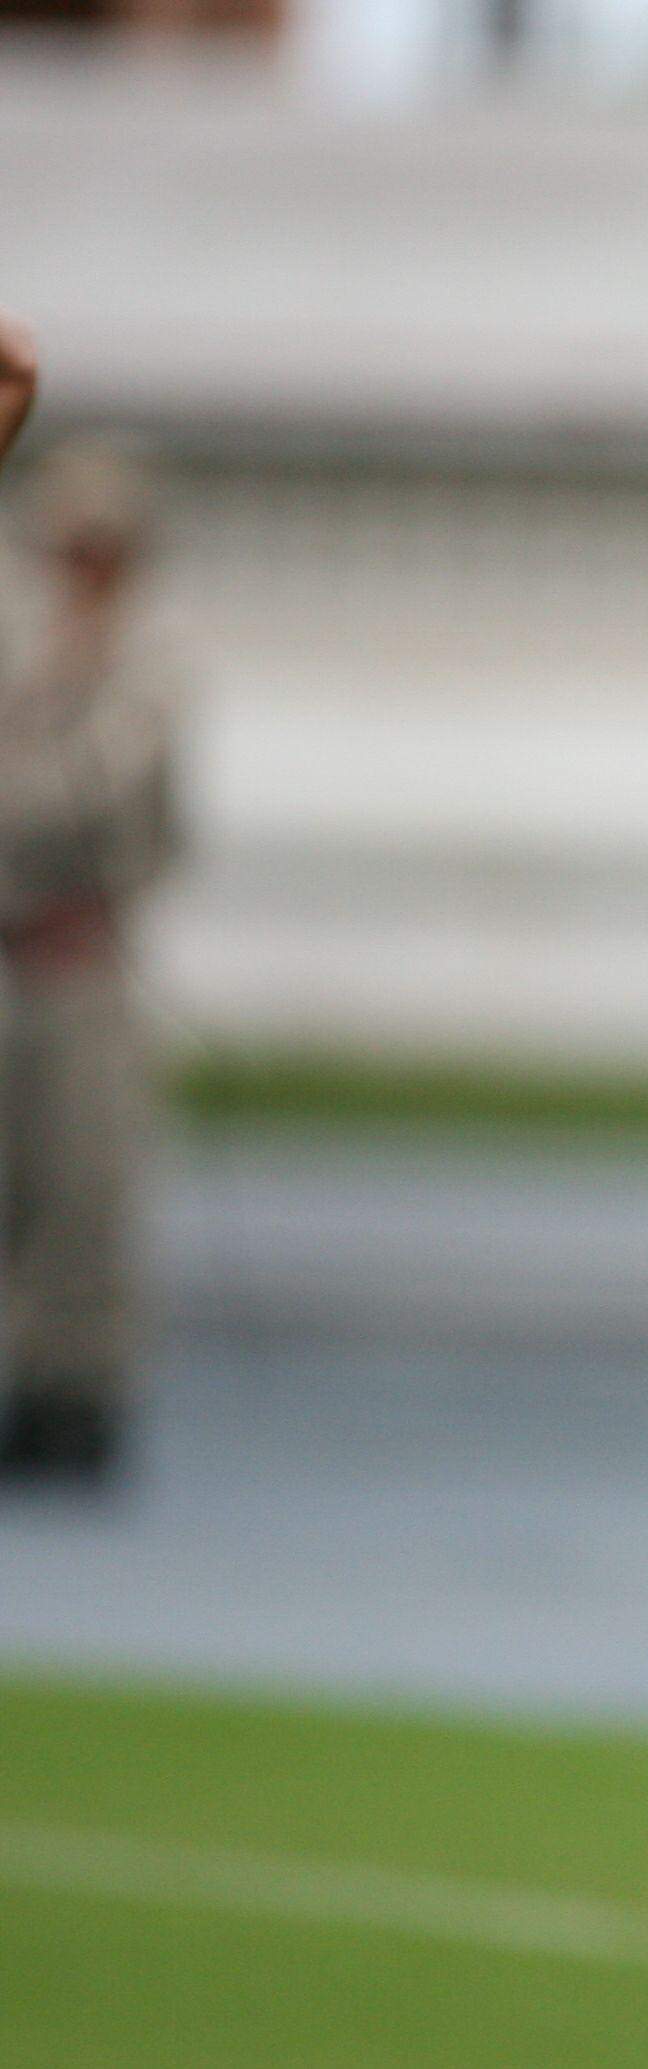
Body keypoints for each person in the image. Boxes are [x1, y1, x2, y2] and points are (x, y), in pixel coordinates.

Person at [0, 344, 191, 1489]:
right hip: (11, 951)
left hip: (85, 955)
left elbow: (90, 794)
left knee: (89, 1188)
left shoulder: (155, 660)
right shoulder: (27, 646)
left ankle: (81, 1394)